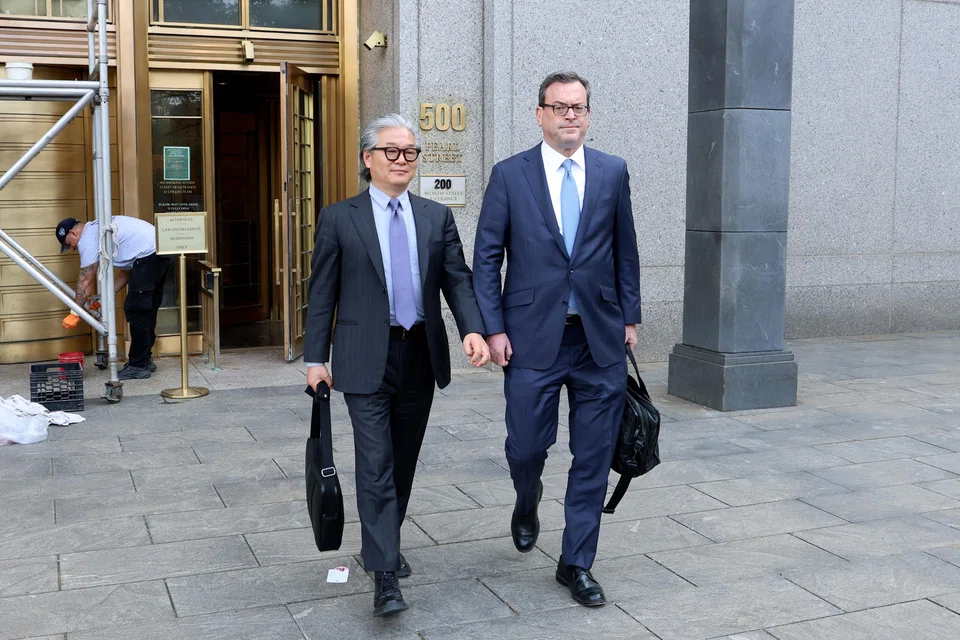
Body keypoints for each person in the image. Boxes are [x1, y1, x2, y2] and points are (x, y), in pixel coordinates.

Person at [304, 114, 489, 618]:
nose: (402, 160)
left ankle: (380, 539)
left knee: (402, 459)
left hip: (419, 354)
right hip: (365, 357)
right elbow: (322, 293)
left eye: (410, 152)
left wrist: (472, 328)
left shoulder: (434, 216)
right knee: (375, 462)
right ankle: (384, 575)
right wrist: (315, 358)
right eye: (392, 151)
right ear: (368, 159)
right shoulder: (340, 217)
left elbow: (458, 279)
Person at [472, 71, 641, 607]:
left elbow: (625, 251)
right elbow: (486, 258)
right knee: (526, 447)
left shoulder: (612, 172)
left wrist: (629, 318)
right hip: (529, 340)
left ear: (588, 114)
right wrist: (493, 327)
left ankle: (576, 563)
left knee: (592, 457)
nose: (570, 115)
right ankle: (527, 498)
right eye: (559, 107)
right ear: (540, 114)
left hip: (599, 340)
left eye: (579, 107)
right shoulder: (509, 175)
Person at [56, 216, 172, 380]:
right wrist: (103, 297)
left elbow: (85, 279)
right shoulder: (99, 230)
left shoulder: (87, 238)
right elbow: (127, 272)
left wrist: (75, 313)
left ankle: (138, 365)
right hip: (159, 252)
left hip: (149, 256)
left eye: (69, 244)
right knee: (147, 310)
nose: (73, 248)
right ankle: (144, 360)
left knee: (136, 310)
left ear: (73, 232)